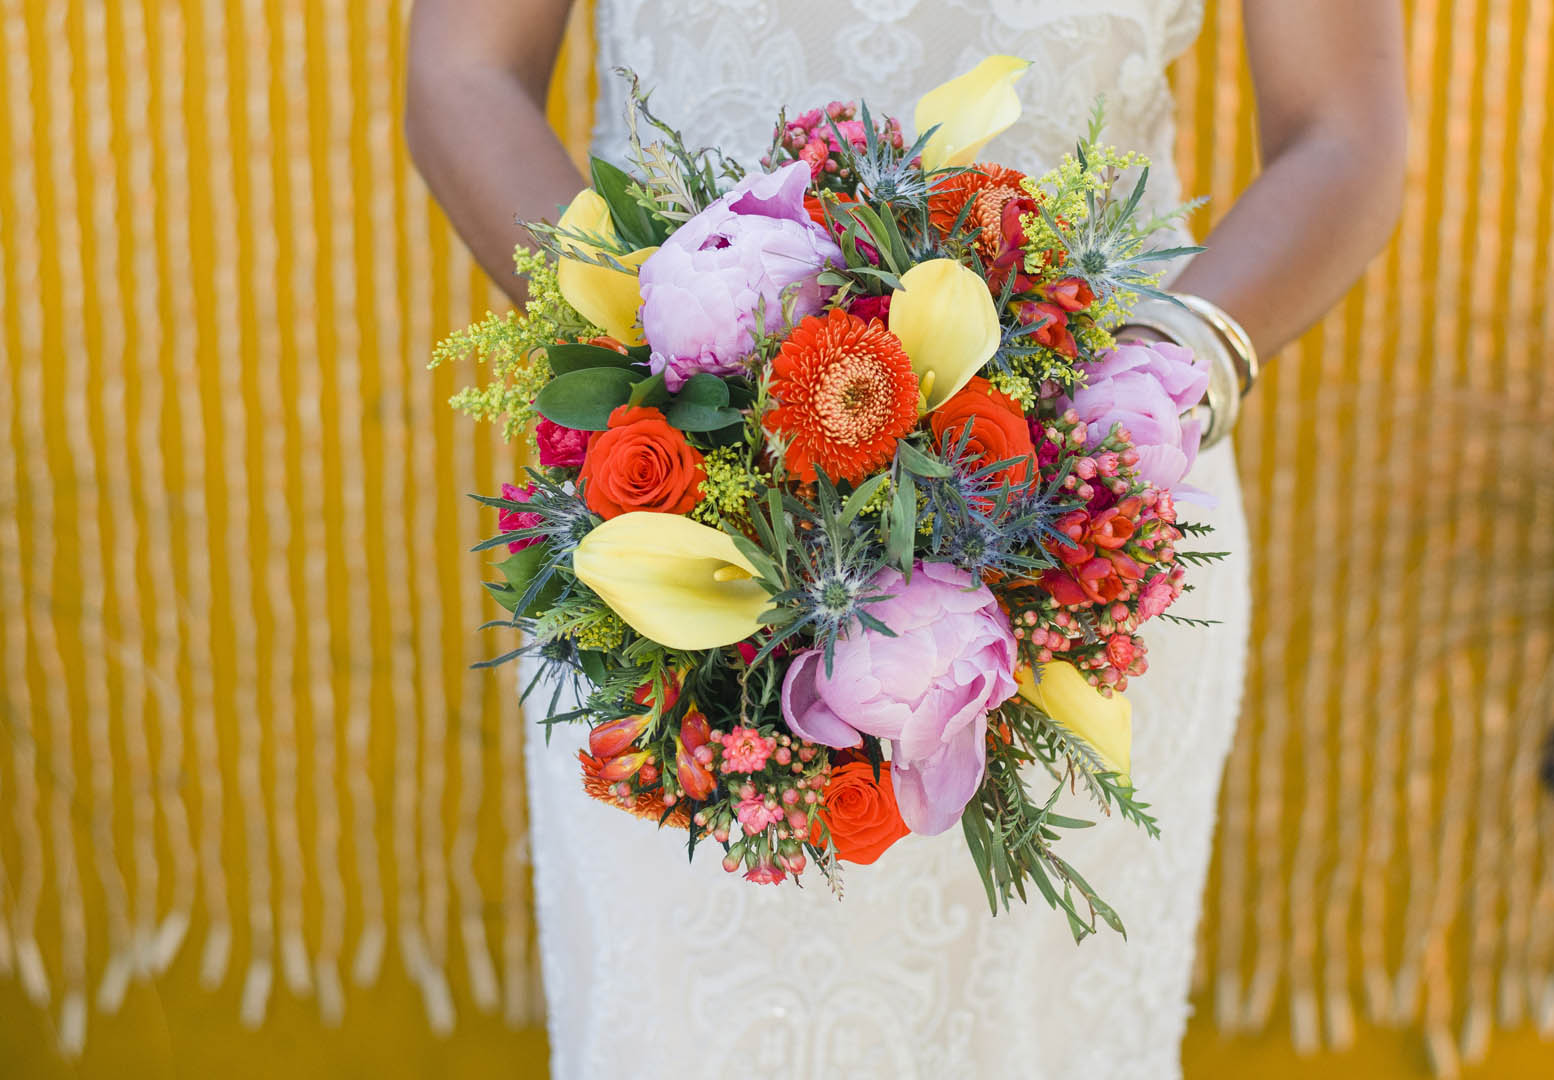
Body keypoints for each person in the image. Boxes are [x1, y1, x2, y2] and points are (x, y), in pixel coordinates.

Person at [406, 3, 1404, 1076]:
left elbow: (1342, 132)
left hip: (1091, 523)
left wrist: (1151, 384)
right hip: (678, 526)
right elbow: (465, 70)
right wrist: (673, 355)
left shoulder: (1104, 473)